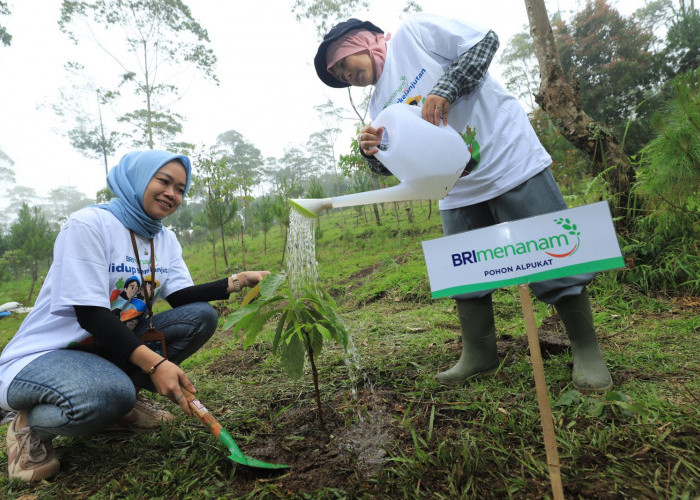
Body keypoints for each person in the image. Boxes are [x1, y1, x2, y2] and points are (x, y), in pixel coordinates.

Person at [313, 14, 613, 392]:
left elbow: (483, 41)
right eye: (339, 76)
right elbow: (395, 162)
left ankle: (587, 350)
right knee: (465, 270)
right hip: (456, 187)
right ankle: (480, 353)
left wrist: (447, 88)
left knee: (554, 249)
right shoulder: (379, 105)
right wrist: (372, 152)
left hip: (507, 159)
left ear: (363, 42)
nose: (345, 76)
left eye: (343, 64)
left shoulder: (413, 35)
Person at [0, 150, 269, 483]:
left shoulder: (164, 238)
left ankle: (119, 405)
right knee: (110, 394)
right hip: (47, 356)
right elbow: (90, 314)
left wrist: (237, 281)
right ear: (138, 180)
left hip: (105, 351)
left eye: (181, 189)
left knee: (200, 316)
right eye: (164, 181)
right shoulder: (89, 225)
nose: (173, 194)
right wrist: (155, 365)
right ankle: (28, 425)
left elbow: (179, 297)